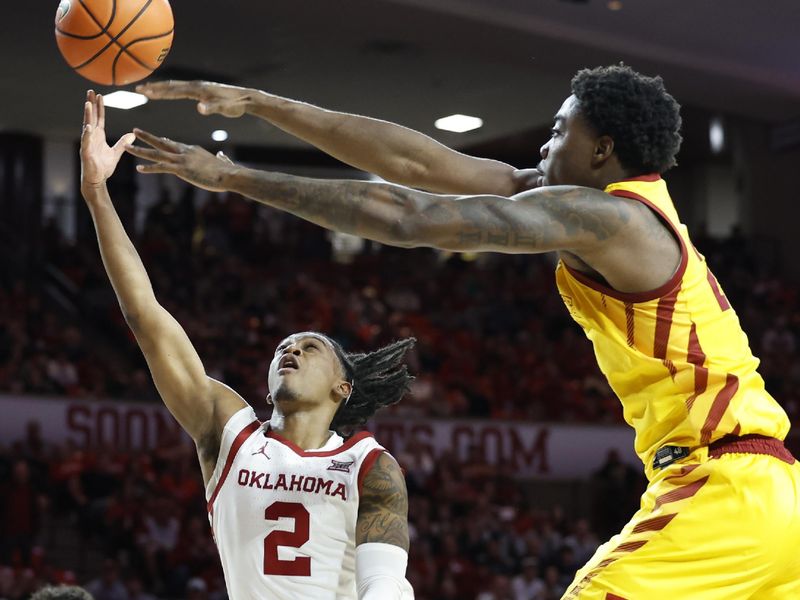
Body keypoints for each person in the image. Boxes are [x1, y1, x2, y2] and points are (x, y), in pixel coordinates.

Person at [130, 64, 800, 598]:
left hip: (725, 488)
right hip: (756, 495)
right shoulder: (608, 211)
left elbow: (410, 217)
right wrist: (260, 103)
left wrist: (235, 177)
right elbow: (417, 165)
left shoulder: (614, 221)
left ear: (601, 150)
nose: (544, 143)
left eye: (559, 131)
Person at [78, 91, 415, 600]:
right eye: (285, 347)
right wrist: (97, 193)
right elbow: (144, 317)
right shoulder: (229, 432)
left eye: (310, 347)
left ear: (343, 387)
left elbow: (385, 582)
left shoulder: (371, 465)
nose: (291, 352)